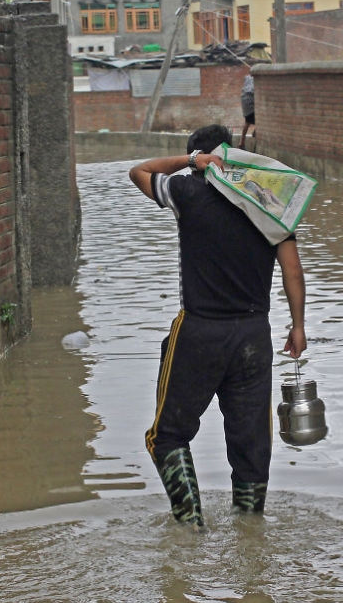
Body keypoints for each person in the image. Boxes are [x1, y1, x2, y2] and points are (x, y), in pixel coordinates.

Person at [128, 124, 306, 529]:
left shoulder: (188, 192)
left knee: (167, 436)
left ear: (200, 163)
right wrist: (298, 326)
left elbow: (139, 171)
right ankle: (249, 533)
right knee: (251, 443)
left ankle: (191, 527)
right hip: (254, 338)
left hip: (199, 333)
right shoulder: (268, 201)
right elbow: (292, 270)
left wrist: (190, 163)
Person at [238, 74, 255, 149]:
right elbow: (252, 90)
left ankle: (242, 142)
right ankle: (242, 142)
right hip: (250, 103)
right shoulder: (253, 80)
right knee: (252, 121)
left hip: (245, 103)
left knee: (247, 122)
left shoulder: (247, 78)